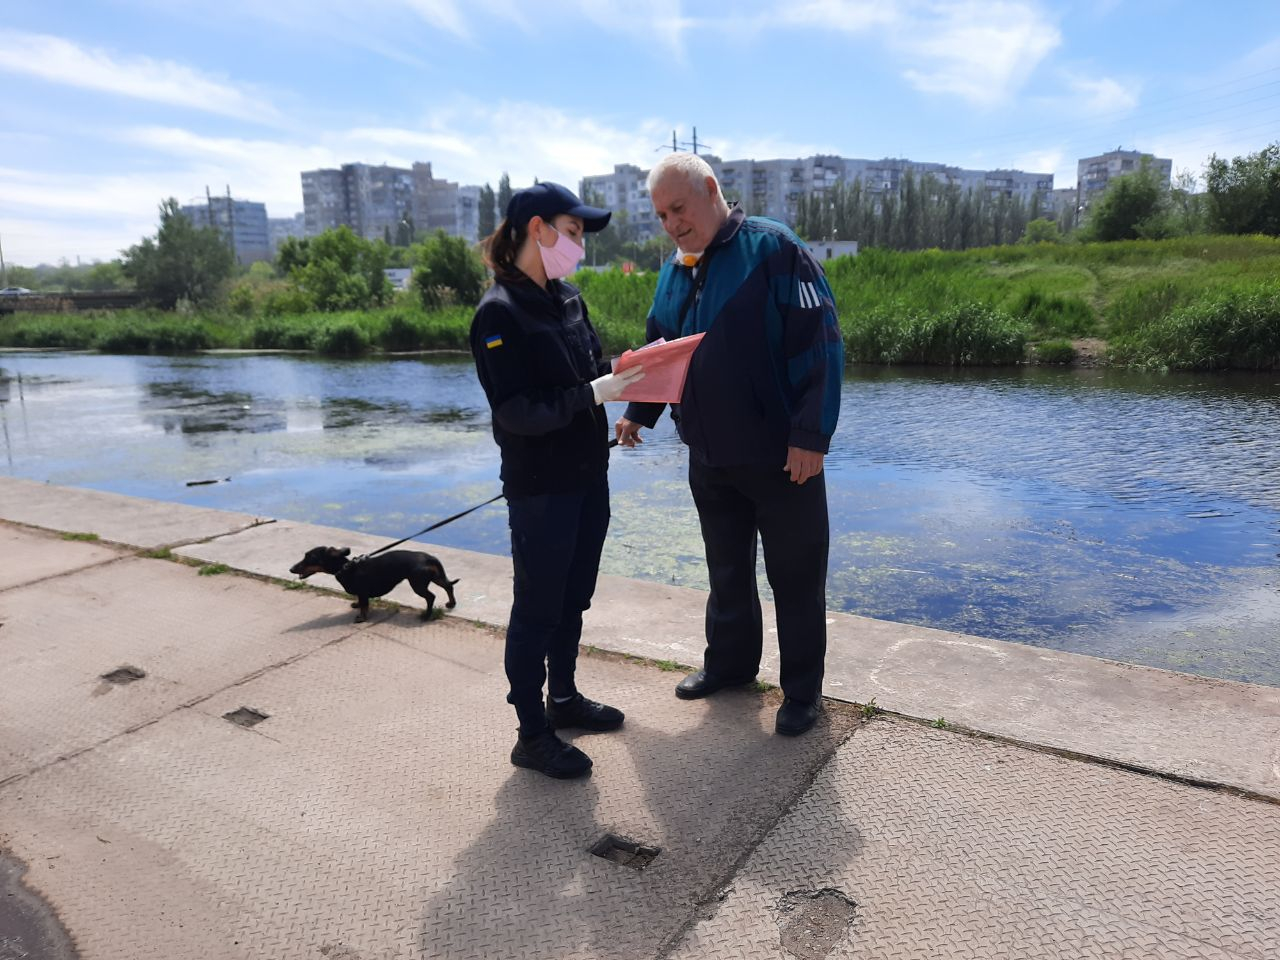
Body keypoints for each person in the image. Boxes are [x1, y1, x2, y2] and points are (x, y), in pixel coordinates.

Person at [615, 153, 843, 737]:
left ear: (711, 190)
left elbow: (820, 342)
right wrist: (639, 412)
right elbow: (659, 350)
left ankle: (801, 692)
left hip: (781, 454)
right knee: (726, 571)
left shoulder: (774, 250)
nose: (671, 223)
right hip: (710, 452)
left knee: (794, 577)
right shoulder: (675, 267)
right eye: (662, 214)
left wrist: (810, 436)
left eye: (679, 209)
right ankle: (731, 666)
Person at [471, 182, 645, 779]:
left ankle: (563, 698)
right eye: (572, 233)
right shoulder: (499, 312)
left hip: (586, 474)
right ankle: (531, 732)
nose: (578, 246)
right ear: (538, 229)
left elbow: (587, 371)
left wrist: (620, 373)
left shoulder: (568, 298)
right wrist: (592, 393)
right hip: (541, 485)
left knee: (574, 596)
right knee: (537, 607)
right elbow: (517, 411)